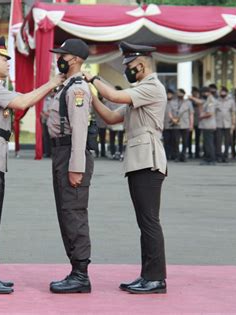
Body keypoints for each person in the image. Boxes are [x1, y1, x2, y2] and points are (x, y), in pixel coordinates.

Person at [0, 37, 64, 294]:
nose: (8, 63)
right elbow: (20, 102)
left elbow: (16, 109)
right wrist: (51, 83)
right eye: (4, 59)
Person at [83, 41, 168, 294]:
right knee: (145, 222)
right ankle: (147, 275)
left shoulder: (151, 87)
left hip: (148, 160)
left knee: (150, 221)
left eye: (129, 66)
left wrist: (93, 78)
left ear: (140, 65)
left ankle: (156, 279)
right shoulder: (140, 91)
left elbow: (115, 96)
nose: (127, 71)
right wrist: (92, 97)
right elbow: (110, 117)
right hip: (138, 160)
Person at [46, 39, 94, 294]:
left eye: (62, 55)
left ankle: (81, 274)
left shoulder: (77, 90)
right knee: (66, 212)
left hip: (71, 154)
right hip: (62, 153)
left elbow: (80, 132)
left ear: (74, 58)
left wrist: (77, 166)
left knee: (74, 212)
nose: (59, 59)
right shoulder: (65, 86)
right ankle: (76, 270)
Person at [192, 87, 217, 165]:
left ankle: (211, 159)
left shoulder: (211, 101)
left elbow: (210, 113)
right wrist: (192, 97)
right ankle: (207, 158)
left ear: (208, 92)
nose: (203, 95)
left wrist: (201, 116)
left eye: (203, 93)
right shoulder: (207, 100)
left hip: (209, 125)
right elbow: (200, 102)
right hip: (205, 125)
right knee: (206, 143)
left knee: (209, 143)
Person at [169, 88, 193, 162]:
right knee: (176, 141)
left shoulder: (188, 103)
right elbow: (169, 112)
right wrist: (172, 119)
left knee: (185, 141)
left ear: (183, 94)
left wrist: (191, 125)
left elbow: (191, 114)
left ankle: (183, 156)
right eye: (178, 93)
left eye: (181, 93)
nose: (179, 95)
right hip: (176, 124)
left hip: (185, 124)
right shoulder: (172, 102)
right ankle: (177, 156)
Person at [214, 87, 236, 163]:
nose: (222, 93)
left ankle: (225, 156)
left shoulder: (231, 101)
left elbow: (233, 113)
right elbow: (213, 113)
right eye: (221, 92)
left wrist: (233, 124)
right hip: (218, 123)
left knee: (227, 141)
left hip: (228, 124)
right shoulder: (216, 101)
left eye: (224, 92)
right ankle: (218, 156)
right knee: (218, 141)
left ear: (226, 93)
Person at [106, 87, 126, 160]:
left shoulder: (123, 100)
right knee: (113, 139)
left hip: (120, 123)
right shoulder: (112, 100)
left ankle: (119, 153)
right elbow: (107, 110)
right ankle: (113, 153)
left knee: (119, 139)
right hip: (114, 123)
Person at [187, 87, 201, 159]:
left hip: (199, 122)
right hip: (190, 122)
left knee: (197, 139)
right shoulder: (189, 101)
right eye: (194, 92)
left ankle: (197, 153)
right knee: (189, 138)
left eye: (196, 93)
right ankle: (190, 152)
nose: (195, 94)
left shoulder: (199, 101)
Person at [163, 89, 175, 160]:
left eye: (170, 94)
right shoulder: (163, 102)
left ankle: (173, 155)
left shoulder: (175, 103)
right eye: (168, 94)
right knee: (166, 141)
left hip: (174, 125)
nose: (169, 95)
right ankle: (167, 155)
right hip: (165, 125)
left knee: (174, 141)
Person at [41, 92, 54, 158]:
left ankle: (52, 153)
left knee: (52, 137)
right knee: (46, 137)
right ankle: (47, 152)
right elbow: (44, 111)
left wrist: (51, 112)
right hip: (46, 121)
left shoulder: (56, 99)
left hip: (54, 122)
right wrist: (51, 112)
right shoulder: (46, 100)